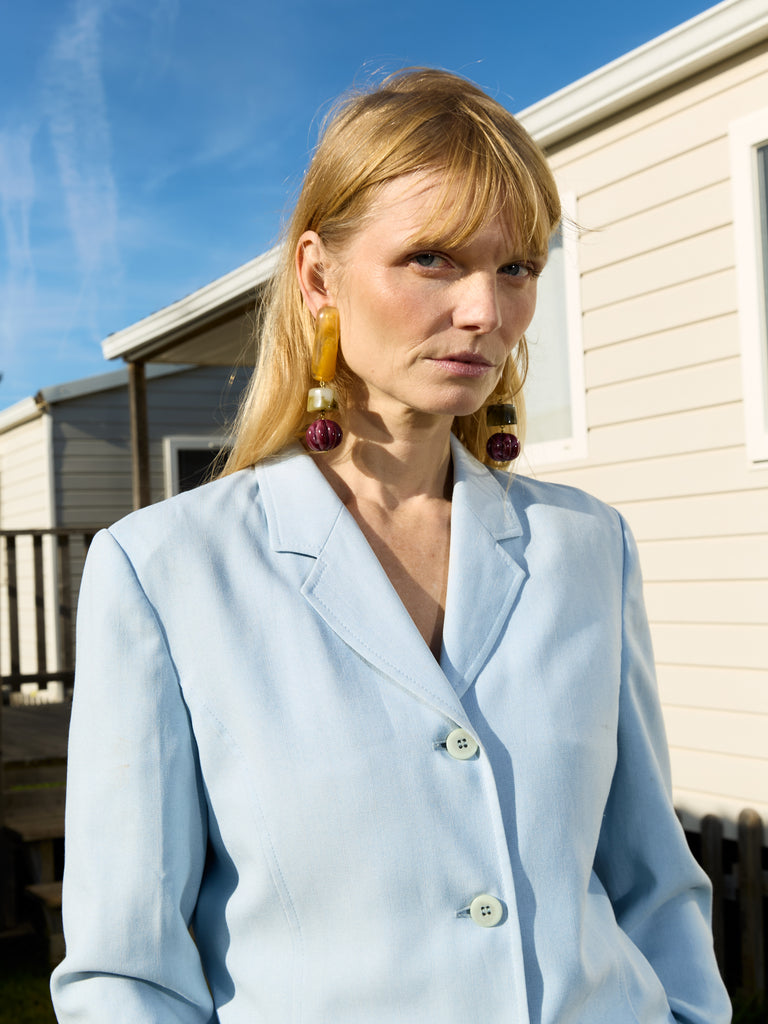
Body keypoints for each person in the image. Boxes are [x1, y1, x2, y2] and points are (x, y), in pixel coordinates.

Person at [51, 68, 730, 1023]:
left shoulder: (590, 547)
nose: (486, 312)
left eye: (518, 268)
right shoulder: (165, 572)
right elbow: (127, 975)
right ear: (318, 275)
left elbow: (654, 882)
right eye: (432, 259)